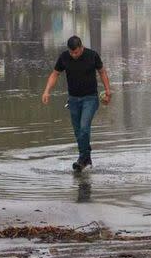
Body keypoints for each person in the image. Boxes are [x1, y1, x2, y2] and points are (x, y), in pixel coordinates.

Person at [42, 36, 111, 171]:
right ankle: (86, 158)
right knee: (78, 131)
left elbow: (102, 72)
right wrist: (46, 91)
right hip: (73, 100)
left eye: (76, 52)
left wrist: (108, 90)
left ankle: (82, 158)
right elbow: (55, 74)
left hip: (90, 98)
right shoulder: (64, 57)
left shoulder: (92, 55)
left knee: (84, 128)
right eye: (71, 52)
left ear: (81, 47)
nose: (74, 55)